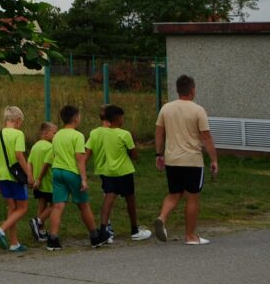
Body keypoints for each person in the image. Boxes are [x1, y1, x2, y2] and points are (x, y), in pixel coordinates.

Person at [153, 75, 218, 245]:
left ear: (177, 90)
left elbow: (159, 133)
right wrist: (214, 160)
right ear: (193, 90)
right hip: (192, 160)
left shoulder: (166, 108)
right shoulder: (198, 110)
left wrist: (159, 154)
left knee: (174, 193)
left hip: (172, 159)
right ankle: (190, 236)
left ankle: (162, 217)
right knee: (192, 197)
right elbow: (206, 137)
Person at [45, 105, 107, 251]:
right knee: (83, 205)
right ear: (76, 118)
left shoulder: (57, 134)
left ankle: (52, 239)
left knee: (58, 205)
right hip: (71, 172)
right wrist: (84, 179)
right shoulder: (77, 136)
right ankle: (94, 237)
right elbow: (80, 158)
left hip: (57, 171)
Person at [87, 105, 151, 242]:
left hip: (109, 171)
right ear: (118, 118)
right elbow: (134, 155)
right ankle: (135, 230)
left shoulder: (102, 133)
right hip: (124, 171)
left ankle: (103, 229)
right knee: (130, 199)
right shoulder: (124, 134)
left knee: (109, 198)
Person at [0, 106, 33, 253]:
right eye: (20, 121)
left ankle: (14, 242)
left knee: (12, 208)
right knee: (22, 208)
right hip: (16, 177)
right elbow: (19, 155)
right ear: (17, 120)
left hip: (3, 176)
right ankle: (1, 229)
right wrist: (29, 174)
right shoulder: (18, 134)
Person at [27, 122, 56, 242]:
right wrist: (39, 178)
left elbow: (29, 162)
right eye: (54, 133)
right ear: (45, 133)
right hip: (48, 182)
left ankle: (41, 231)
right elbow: (47, 164)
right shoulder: (50, 147)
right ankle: (38, 221)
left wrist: (31, 177)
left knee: (41, 204)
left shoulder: (35, 146)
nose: (56, 135)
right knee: (55, 204)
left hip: (38, 184)